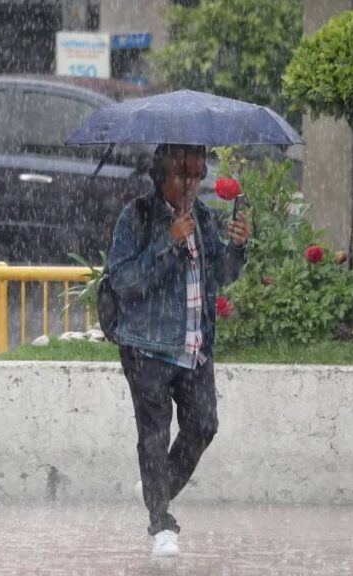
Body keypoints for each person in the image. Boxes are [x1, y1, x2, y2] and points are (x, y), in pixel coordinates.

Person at [107, 143, 250, 556]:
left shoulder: (202, 217)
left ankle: (158, 488)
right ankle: (161, 523)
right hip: (146, 347)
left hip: (194, 347)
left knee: (204, 425)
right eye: (183, 174)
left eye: (198, 174)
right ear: (161, 175)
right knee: (154, 434)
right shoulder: (136, 216)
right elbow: (124, 281)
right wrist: (168, 242)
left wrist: (238, 247)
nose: (192, 184)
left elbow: (221, 274)